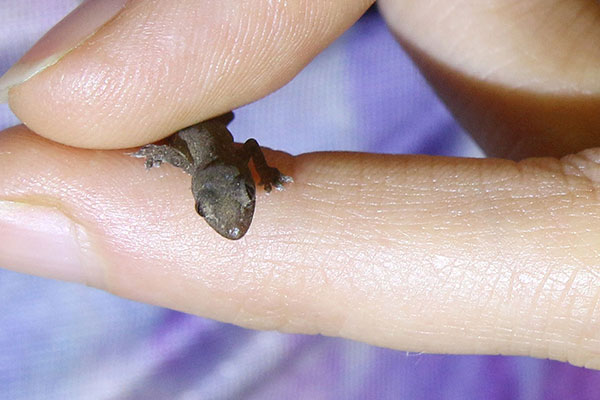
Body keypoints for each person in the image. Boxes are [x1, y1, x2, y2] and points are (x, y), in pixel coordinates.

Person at [1, 0, 600, 397]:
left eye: (236, 203)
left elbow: (252, 142)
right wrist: (177, 156)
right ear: (195, 192)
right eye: (222, 212)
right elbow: (244, 143)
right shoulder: (192, 162)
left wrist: (260, 172)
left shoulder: (223, 161)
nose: (234, 226)